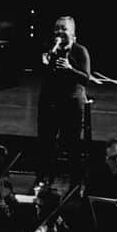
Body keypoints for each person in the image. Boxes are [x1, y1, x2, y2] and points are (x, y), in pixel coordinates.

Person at [37, 15, 91, 181]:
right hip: (50, 103)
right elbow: (42, 77)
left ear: (73, 33)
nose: (59, 32)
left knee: (72, 145)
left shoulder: (80, 51)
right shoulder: (49, 49)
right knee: (45, 144)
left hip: (72, 104)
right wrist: (43, 65)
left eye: (64, 28)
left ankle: (74, 184)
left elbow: (86, 78)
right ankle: (43, 180)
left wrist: (70, 69)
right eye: (57, 28)